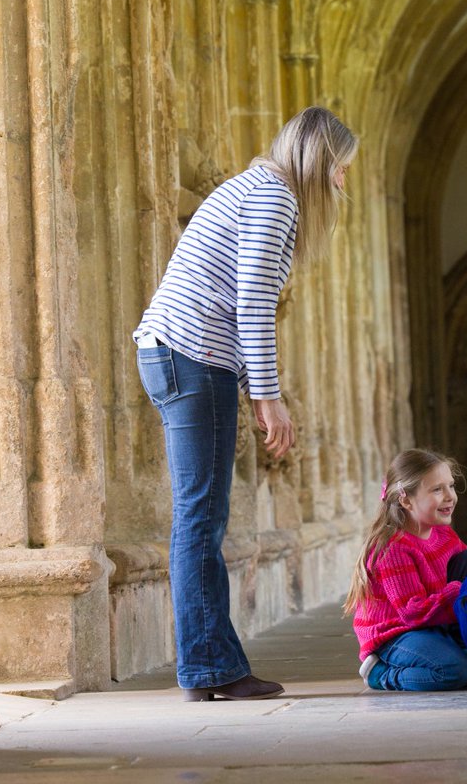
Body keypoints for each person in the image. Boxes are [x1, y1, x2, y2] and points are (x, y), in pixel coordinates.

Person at [134, 106, 358, 701]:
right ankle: (210, 669)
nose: (343, 182)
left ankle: (210, 666)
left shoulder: (258, 186)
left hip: (180, 354)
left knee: (200, 514)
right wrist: (268, 395)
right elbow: (253, 303)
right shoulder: (275, 195)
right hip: (191, 356)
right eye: (341, 169)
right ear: (320, 160)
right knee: (200, 516)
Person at [345, 448, 467, 691]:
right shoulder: (393, 548)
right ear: (405, 500)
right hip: (395, 633)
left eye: (451, 486)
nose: (450, 496)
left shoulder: (443, 533)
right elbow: (412, 613)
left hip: (431, 623)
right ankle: (380, 674)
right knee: (456, 670)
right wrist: (462, 590)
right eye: (437, 489)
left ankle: (457, 643)